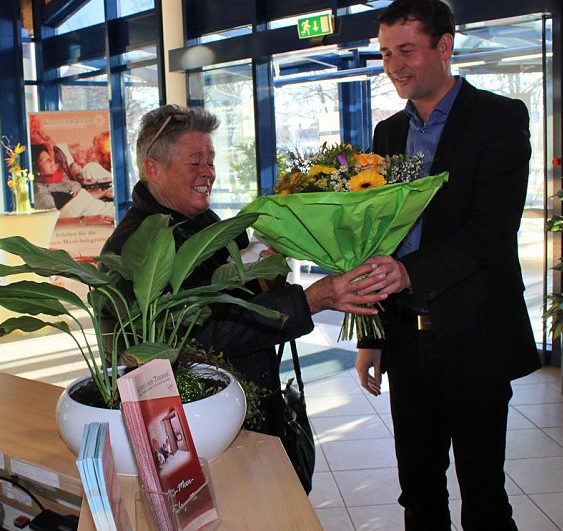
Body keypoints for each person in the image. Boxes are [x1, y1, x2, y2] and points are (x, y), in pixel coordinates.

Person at [355, 1, 541, 531]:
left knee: (483, 500)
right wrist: (373, 335)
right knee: (419, 497)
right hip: (409, 343)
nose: (394, 66)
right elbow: (375, 240)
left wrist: (413, 270)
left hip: (476, 341)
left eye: (406, 50)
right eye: (386, 53)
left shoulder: (500, 119)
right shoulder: (389, 132)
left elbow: (491, 233)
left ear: (444, 46)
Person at [102, 104, 389, 443]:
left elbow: (240, 301)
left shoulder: (207, 224)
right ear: (154, 169)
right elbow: (195, 342)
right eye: (195, 162)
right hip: (196, 426)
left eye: (210, 161)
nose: (208, 172)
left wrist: (267, 268)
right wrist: (310, 300)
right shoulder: (131, 250)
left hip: (244, 411)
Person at [31, 144, 115, 225]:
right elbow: (53, 222)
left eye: (50, 158)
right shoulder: (40, 192)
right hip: (93, 215)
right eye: (46, 160)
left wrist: (104, 193)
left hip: (97, 206)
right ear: (36, 168)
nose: (52, 162)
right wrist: (87, 220)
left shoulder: (62, 179)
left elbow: (79, 196)